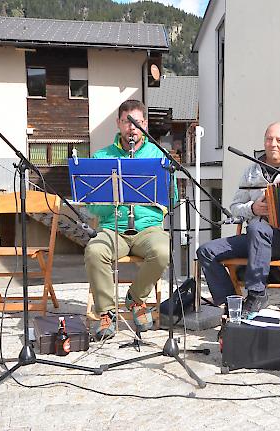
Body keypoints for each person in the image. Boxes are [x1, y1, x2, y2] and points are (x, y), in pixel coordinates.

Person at [197, 122, 280, 315]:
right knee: (206, 251)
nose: (273, 144)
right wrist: (253, 208)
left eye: (279, 140)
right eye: (269, 139)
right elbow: (234, 209)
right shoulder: (251, 171)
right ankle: (232, 305)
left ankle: (256, 293)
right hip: (255, 237)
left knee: (257, 229)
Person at [84, 99, 173, 340]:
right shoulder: (102, 157)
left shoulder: (159, 155)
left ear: (145, 123)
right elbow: (92, 206)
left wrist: (156, 210)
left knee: (163, 251)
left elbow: (170, 197)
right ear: (119, 124)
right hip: (114, 227)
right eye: (127, 122)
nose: (132, 128)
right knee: (94, 251)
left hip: (147, 228)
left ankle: (135, 298)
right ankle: (106, 312)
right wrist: (109, 200)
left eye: (137, 122)